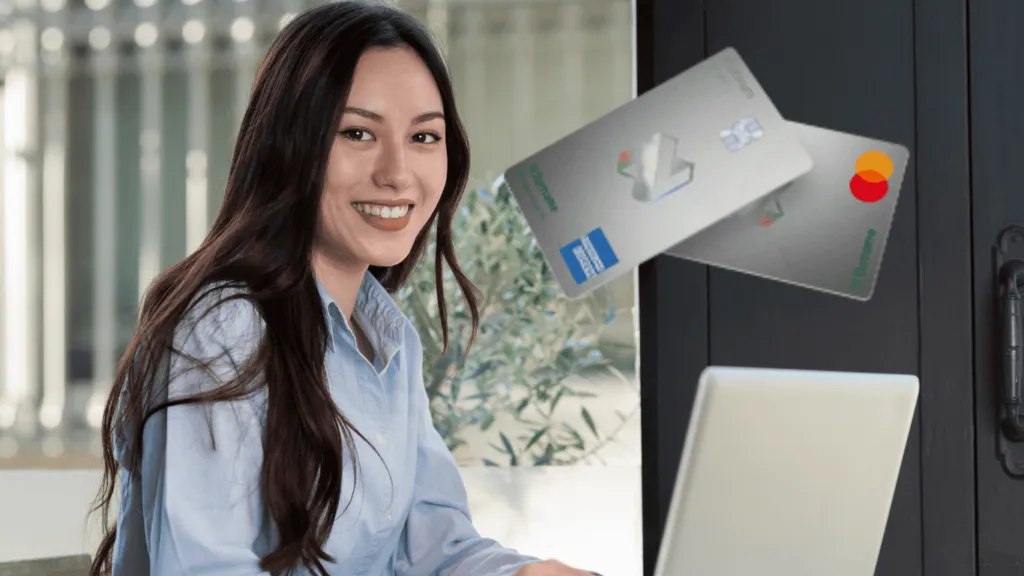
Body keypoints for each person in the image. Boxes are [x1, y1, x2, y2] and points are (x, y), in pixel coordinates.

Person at [87, 3, 597, 575]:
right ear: (290, 146)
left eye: (424, 136)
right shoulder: (223, 330)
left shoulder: (386, 341)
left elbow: (431, 548)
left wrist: (524, 575)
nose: (398, 172)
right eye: (358, 132)